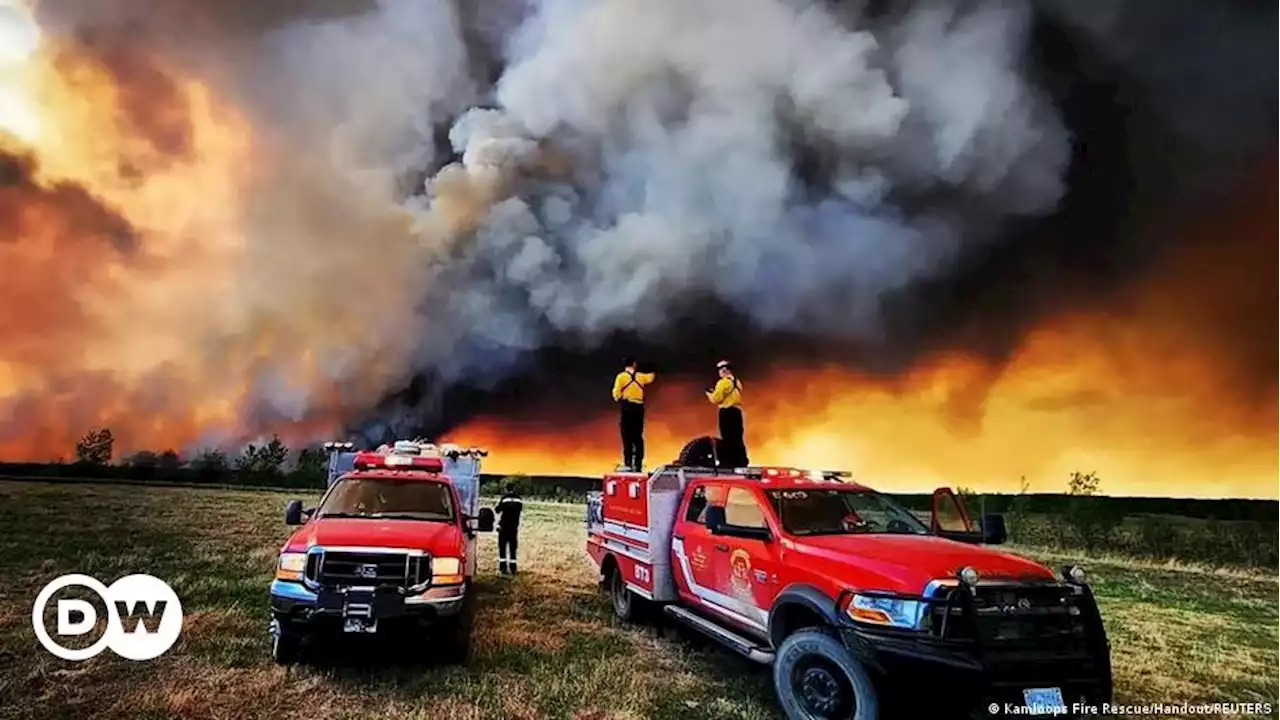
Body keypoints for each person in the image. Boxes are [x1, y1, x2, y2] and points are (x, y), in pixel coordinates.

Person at [611, 357, 655, 472]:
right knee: (638, 437)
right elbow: (651, 377)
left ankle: (628, 464)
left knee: (626, 436)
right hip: (638, 408)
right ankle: (638, 464)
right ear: (634, 364)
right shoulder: (641, 377)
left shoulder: (621, 377)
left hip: (627, 408)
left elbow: (616, 394)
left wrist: (622, 398)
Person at [706, 359, 748, 468]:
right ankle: (741, 461)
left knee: (727, 437)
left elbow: (716, 399)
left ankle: (728, 462)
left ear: (724, 370)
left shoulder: (723, 382)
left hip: (727, 413)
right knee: (737, 438)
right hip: (737, 412)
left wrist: (709, 394)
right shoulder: (737, 382)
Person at [494, 486, 523, 576]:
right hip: (514, 527)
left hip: (504, 526)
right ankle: (513, 568)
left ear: (506, 489)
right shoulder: (519, 499)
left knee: (502, 547)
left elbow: (497, 510)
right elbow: (520, 510)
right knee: (513, 548)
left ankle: (503, 568)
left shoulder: (504, 498)